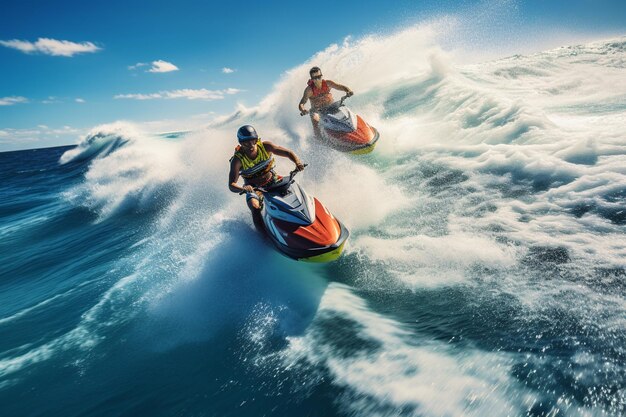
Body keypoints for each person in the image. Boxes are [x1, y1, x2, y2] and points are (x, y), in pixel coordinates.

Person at [229, 125, 305, 231]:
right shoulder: (237, 160)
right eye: (246, 142)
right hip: (254, 188)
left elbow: (288, 153)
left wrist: (297, 162)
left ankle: (304, 218)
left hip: (273, 180)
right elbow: (231, 185)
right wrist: (244, 189)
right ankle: (263, 236)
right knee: (255, 208)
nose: (251, 145)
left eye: (253, 140)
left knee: (294, 192)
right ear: (241, 143)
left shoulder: (266, 146)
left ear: (256, 139)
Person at [298, 66, 354, 138]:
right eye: (315, 78)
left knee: (345, 111)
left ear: (321, 76)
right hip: (317, 111)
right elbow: (302, 103)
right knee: (316, 120)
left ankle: (353, 128)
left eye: (319, 76)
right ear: (312, 79)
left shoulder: (328, 83)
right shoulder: (309, 90)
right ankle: (319, 139)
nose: (318, 79)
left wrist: (348, 91)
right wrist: (303, 109)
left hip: (331, 106)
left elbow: (341, 87)